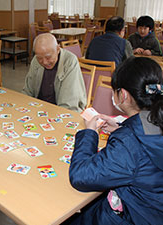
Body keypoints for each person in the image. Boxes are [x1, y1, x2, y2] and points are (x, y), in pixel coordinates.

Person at [69, 57, 163, 225]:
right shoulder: (157, 118)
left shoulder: (128, 143)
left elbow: (80, 176)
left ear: (123, 95)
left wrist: (89, 133)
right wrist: (122, 127)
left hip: (134, 216)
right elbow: (148, 145)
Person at [22, 33, 87, 112]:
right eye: (40, 58)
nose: (44, 62)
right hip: (39, 108)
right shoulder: (36, 60)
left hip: (61, 111)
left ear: (58, 49)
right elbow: (27, 91)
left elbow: (69, 105)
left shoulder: (69, 61)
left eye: (48, 57)